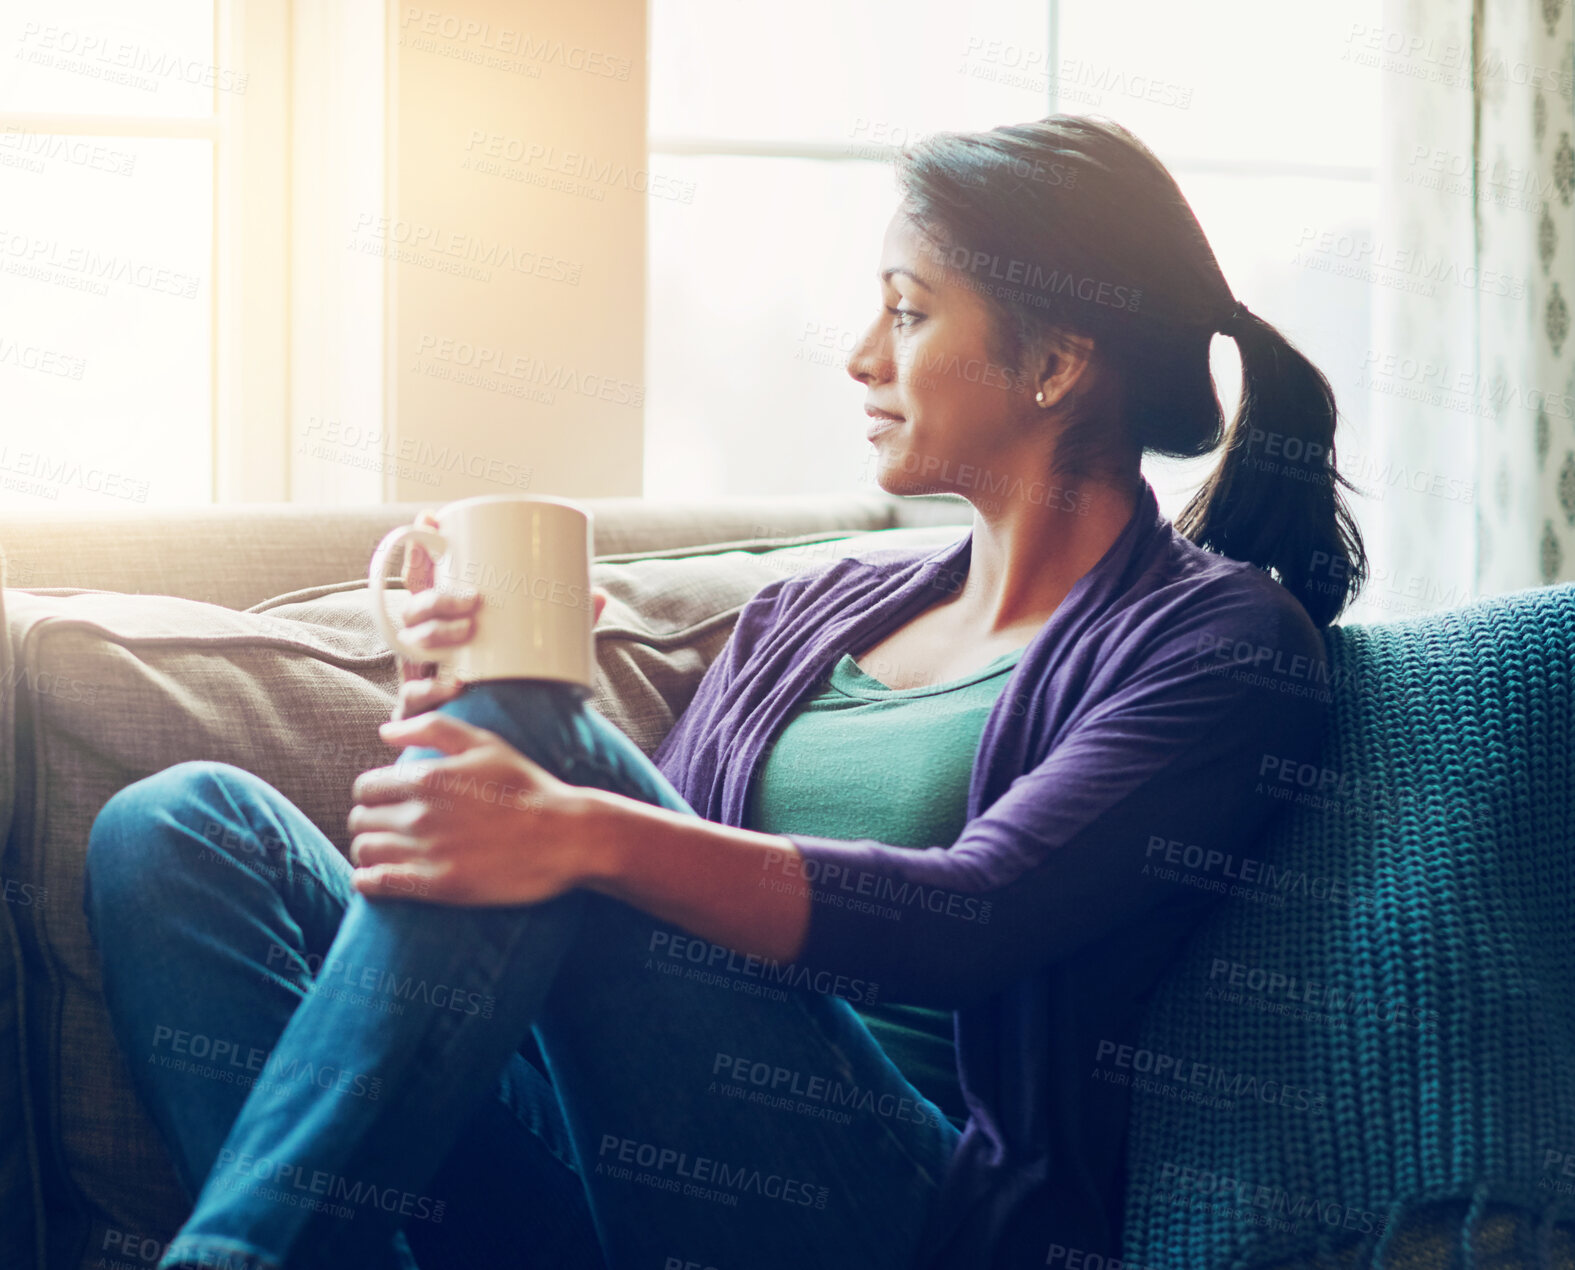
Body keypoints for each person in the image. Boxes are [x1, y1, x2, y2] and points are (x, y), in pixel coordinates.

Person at [83, 114, 1367, 1270]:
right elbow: (619, 911)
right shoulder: (807, 617)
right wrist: (468, 697)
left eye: (909, 312)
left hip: (898, 1213)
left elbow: (978, 915)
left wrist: (567, 791)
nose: (861, 355)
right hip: (622, 1180)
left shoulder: (1218, 641)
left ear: (1056, 364)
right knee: (177, 825)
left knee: (558, 771)